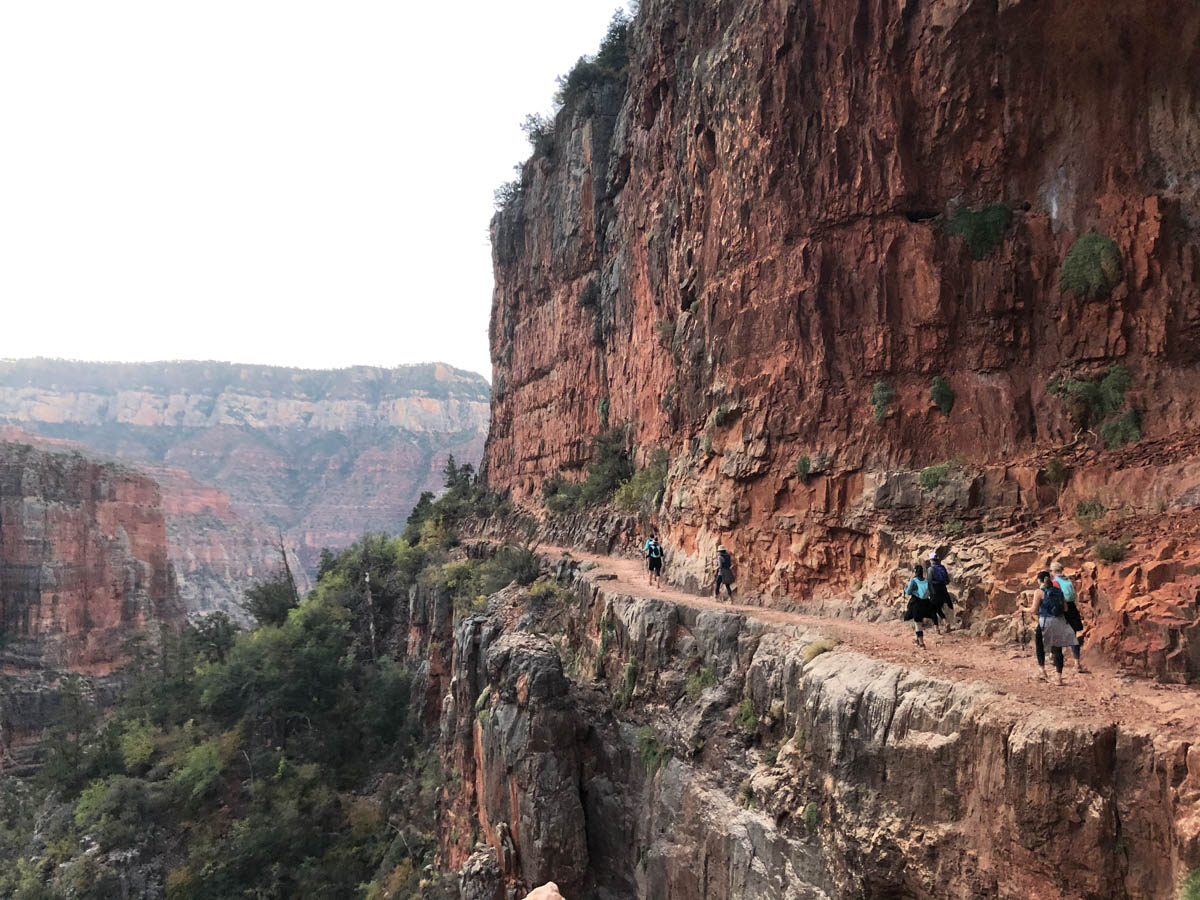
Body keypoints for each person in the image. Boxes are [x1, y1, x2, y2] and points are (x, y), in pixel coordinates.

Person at [1026, 570, 1079, 685]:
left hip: (1045, 622)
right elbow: (1065, 609)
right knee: (1057, 649)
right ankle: (1059, 678)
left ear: (1039, 580)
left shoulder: (1039, 592)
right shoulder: (1059, 591)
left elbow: (1033, 610)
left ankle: (1042, 670)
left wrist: (1023, 609)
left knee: (1039, 643)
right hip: (1059, 621)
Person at [1051, 561, 1087, 673]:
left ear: (1054, 571)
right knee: (1073, 635)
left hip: (1062, 608)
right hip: (1072, 608)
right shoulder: (1067, 580)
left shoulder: (1055, 582)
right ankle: (1077, 663)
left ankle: (1055, 658)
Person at [901, 563, 938, 648]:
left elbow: (908, 592)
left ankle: (921, 643)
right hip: (925, 603)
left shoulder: (914, 581)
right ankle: (917, 639)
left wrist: (905, 589)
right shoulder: (926, 581)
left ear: (915, 572)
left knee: (917, 623)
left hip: (916, 603)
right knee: (919, 621)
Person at [927, 551, 954, 632]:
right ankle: (945, 622)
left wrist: (929, 593)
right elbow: (947, 581)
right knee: (938, 608)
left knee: (933, 610)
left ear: (931, 560)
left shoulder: (930, 569)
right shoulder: (942, 567)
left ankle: (937, 628)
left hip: (934, 592)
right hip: (943, 591)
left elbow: (929, 582)